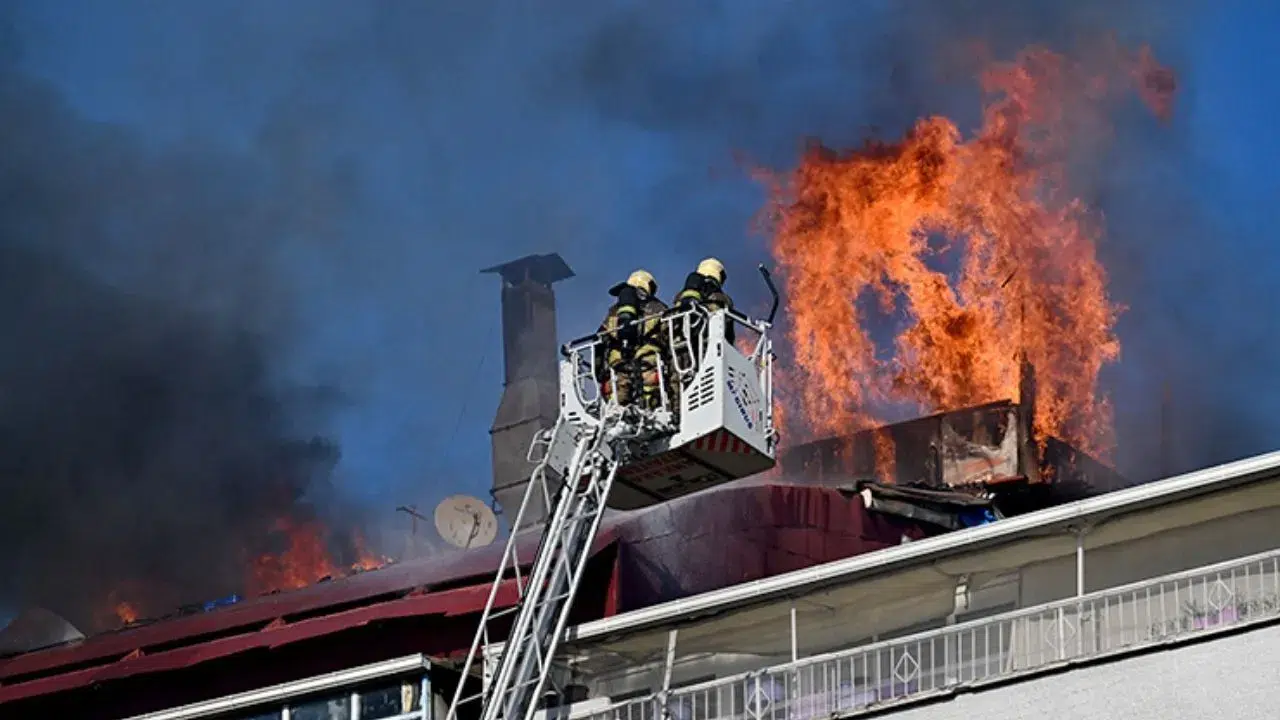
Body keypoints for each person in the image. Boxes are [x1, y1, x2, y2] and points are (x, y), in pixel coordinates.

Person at [597, 269, 669, 409]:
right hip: (648, 362)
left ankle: (618, 416)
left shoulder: (613, 311)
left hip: (619, 365)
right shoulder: (658, 308)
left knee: (618, 395)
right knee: (650, 390)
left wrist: (599, 372)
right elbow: (668, 334)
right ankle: (650, 412)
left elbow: (600, 339)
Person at [670, 258, 735, 379]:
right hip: (707, 353)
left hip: (680, 353)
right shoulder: (722, 298)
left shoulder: (680, 297)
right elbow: (729, 335)